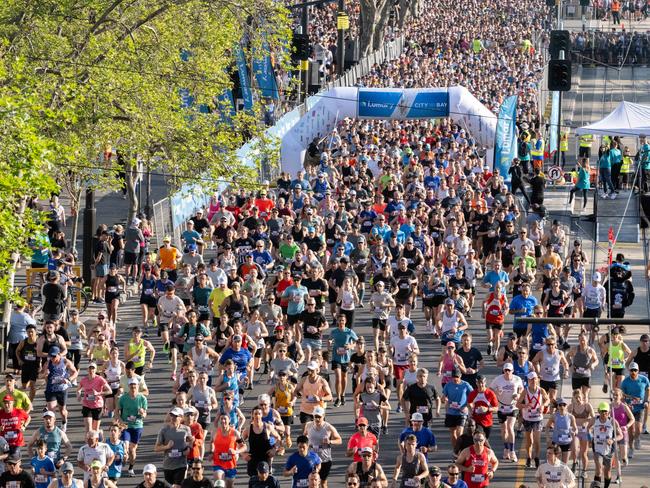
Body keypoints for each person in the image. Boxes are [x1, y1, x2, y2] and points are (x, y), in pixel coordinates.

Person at [154, 407, 194, 488]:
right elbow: (156, 448)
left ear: (181, 417)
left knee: (177, 486)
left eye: (175, 416)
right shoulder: (164, 430)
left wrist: (189, 448)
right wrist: (167, 446)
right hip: (168, 465)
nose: (173, 418)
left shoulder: (186, 429)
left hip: (181, 464)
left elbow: (190, 442)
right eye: (171, 415)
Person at [303, 406, 342, 488]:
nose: (317, 419)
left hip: (325, 459)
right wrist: (307, 442)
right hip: (312, 459)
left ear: (323, 416)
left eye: (319, 417)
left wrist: (330, 441)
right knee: (311, 482)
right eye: (315, 417)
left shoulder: (328, 427)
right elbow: (304, 437)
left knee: (323, 483)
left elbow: (339, 440)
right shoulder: (308, 425)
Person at [517, 372, 549, 469]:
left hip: (538, 418)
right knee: (529, 441)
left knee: (537, 441)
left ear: (538, 380)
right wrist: (525, 405)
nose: (533, 381)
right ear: (528, 381)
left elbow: (547, 400)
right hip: (527, 418)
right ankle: (528, 457)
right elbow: (517, 404)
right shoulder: (525, 391)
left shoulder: (541, 390)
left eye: (535, 379)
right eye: (531, 379)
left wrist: (543, 405)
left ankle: (537, 458)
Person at [588, 402, 623, 488]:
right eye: (602, 411)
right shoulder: (594, 419)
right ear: (599, 411)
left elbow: (620, 435)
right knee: (599, 469)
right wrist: (590, 437)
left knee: (607, 472)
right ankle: (597, 486)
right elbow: (588, 429)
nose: (604, 413)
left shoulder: (613, 421)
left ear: (609, 412)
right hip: (597, 447)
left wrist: (613, 439)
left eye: (606, 411)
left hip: (609, 449)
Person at [118, 378, 148, 476]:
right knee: (126, 446)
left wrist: (142, 413)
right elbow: (116, 411)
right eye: (131, 386)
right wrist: (120, 421)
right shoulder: (123, 398)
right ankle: (123, 457)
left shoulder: (142, 398)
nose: (133, 388)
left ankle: (131, 468)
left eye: (135, 386)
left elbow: (144, 415)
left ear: (138, 387)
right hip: (126, 426)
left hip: (137, 426)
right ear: (129, 387)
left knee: (132, 449)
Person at [620, 361, 650, 455]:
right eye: (631, 370)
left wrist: (646, 400)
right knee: (631, 430)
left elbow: (648, 389)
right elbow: (622, 395)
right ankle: (631, 448)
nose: (633, 372)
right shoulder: (625, 382)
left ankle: (637, 438)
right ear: (629, 371)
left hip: (640, 407)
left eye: (635, 370)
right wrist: (630, 399)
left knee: (638, 429)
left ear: (638, 371)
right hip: (630, 408)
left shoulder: (644, 379)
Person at [210, 413, 245, 488]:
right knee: (219, 483)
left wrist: (236, 452)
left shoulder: (235, 433)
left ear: (229, 420)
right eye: (221, 419)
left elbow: (244, 447)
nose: (223, 421)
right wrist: (211, 452)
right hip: (218, 463)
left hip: (230, 465)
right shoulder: (215, 432)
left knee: (229, 486)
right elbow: (212, 443)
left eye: (225, 419)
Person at [77, 362, 112, 434]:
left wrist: (98, 393)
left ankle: (99, 432)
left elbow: (110, 391)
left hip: (97, 406)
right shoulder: (84, 380)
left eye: (93, 369)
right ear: (87, 370)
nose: (91, 370)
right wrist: (79, 394)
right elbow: (78, 389)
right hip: (86, 405)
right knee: (88, 430)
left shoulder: (100, 379)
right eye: (90, 368)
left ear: (96, 370)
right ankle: (88, 444)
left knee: (95, 430)